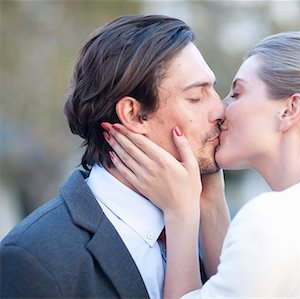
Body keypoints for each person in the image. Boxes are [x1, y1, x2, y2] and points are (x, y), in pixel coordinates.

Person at [103, 31, 300, 298]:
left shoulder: (274, 218)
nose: (221, 108)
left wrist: (181, 213)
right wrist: (210, 199)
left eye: (237, 93)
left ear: (290, 110)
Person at [0, 14, 230, 298]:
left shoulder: (205, 229)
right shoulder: (35, 257)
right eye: (196, 97)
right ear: (133, 114)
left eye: (214, 89)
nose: (220, 110)